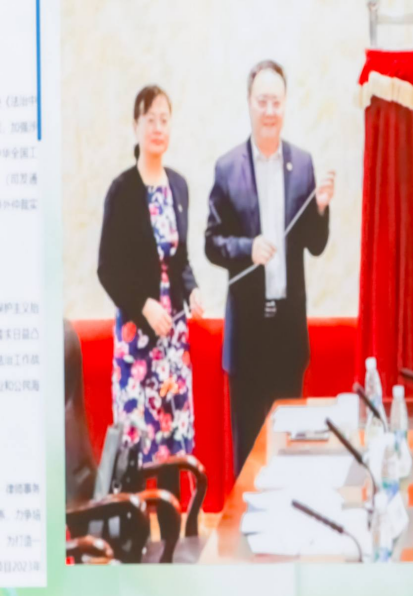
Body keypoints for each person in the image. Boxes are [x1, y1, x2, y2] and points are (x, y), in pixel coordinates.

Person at [206, 59, 335, 474]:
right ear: (249, 103)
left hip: (287, 333)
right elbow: (212, 244)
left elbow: (315, 245)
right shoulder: (228, 168)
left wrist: (320, 208)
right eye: (262, 101)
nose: (269, 111)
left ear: (285, 105)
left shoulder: (303, 164)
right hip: (247, 333)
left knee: (290, 451)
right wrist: (248, 249)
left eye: (276, 102)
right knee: (248, 455)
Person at [97, 85, 203, 498]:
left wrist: (191, 291)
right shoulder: (122, 190)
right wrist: (143, 305)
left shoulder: (178, 186)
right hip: (137, 340)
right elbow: (107, 269)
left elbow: (180, 259)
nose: (158, 128)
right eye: (150, 120)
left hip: (173, 339)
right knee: (138, 445)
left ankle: (176, 529)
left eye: (164, 120)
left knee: (174, 440)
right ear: (136, 126)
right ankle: (134, 530)